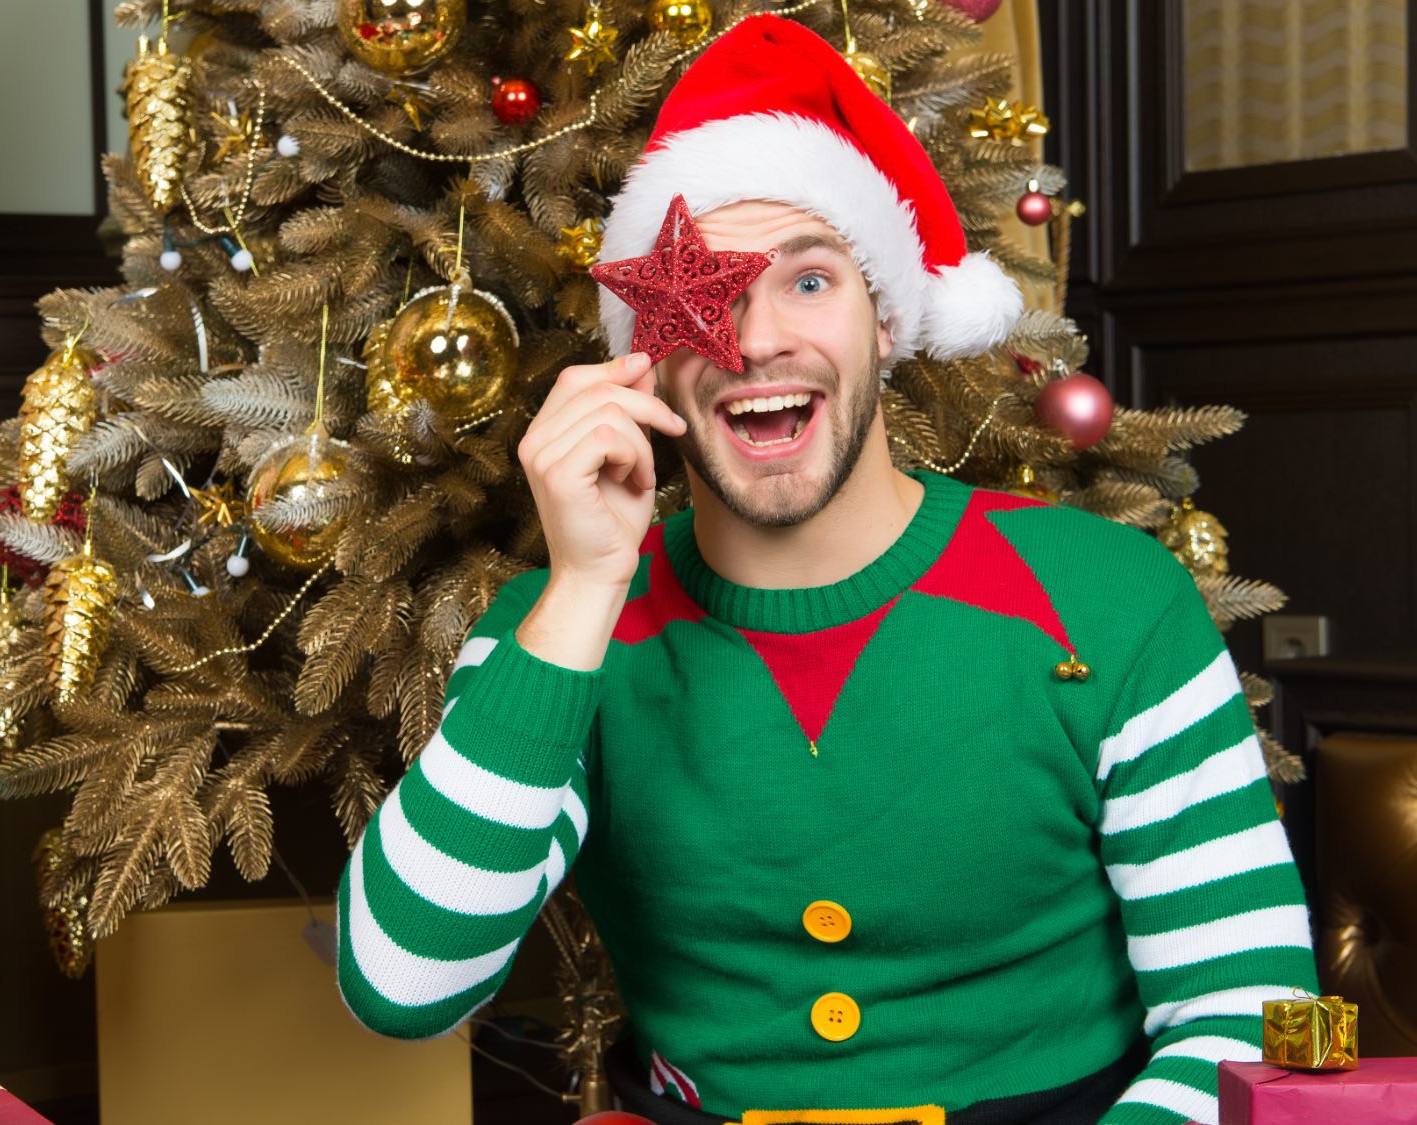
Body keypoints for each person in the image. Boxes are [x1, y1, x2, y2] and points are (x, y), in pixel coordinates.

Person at [334, 15, 1316, 1125]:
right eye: (707, 291)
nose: (753, 342)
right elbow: (400, 986)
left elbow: (1245, 1014)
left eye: (807, 283)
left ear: (886, 323)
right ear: (645, 350)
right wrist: (580, 587)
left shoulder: (1111, 598)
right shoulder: (559, 627)